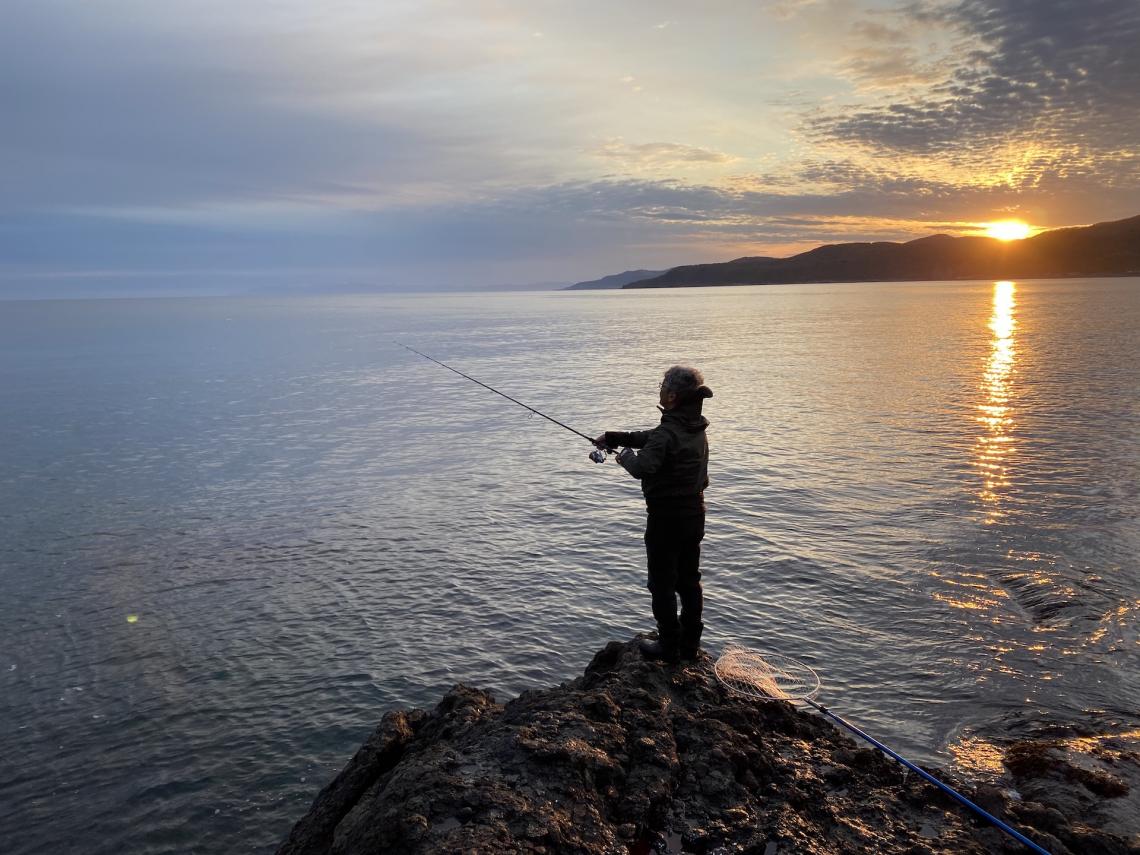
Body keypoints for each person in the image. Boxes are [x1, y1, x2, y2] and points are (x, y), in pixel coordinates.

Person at [595, 366, 712, 663]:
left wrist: (621, 454)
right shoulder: (694, 426)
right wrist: (616, 436)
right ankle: (690, 645)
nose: (659, 389)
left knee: (661, 583)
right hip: (694, 514)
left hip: (666, 519)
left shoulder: (668, 432)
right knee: (688, 580)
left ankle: (669, 645)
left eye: (661, 386)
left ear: (671, 396)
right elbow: (654, 437)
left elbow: (641, 467)